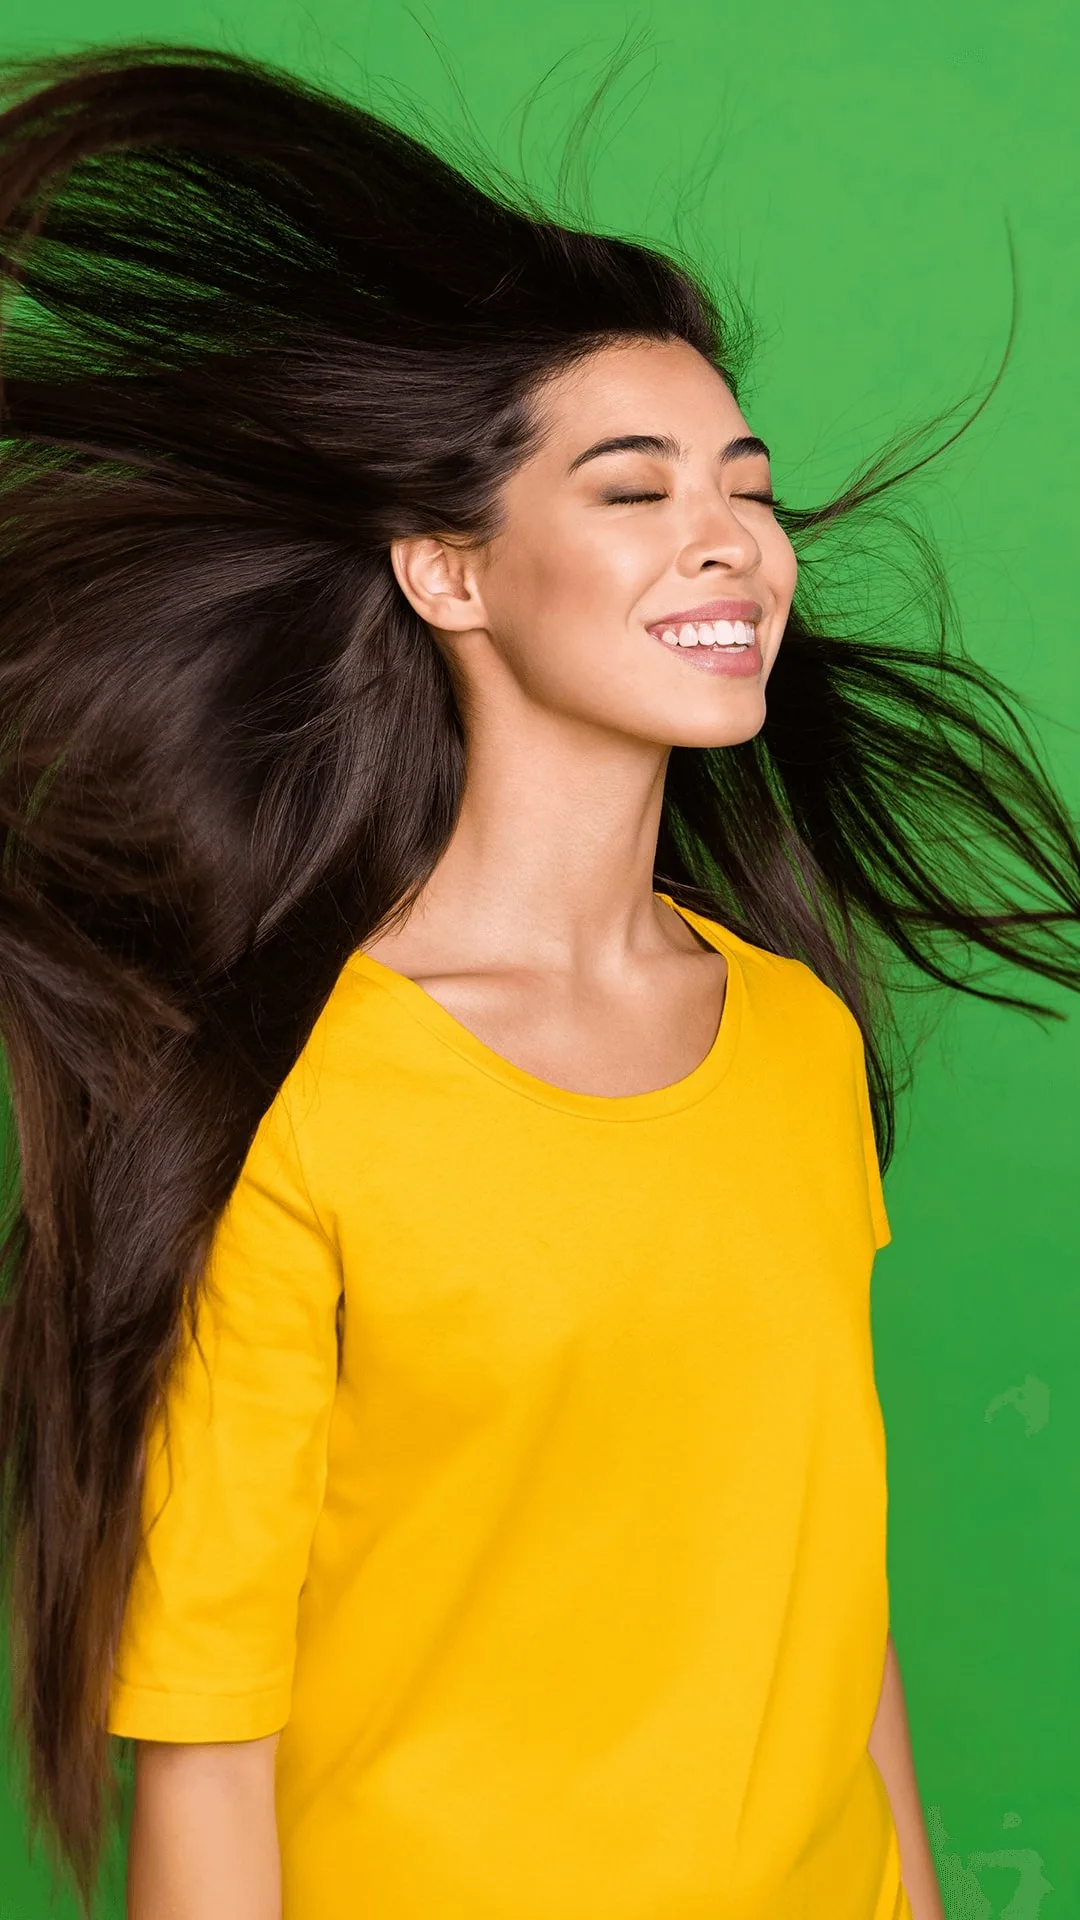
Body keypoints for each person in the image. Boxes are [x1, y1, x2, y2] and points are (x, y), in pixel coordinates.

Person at [0, 41, 1076, 1920]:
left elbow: (821, 1604)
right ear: (446, 571)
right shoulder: (300, 1097)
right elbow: (207, 1752)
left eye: (745, 483)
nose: (730, 537)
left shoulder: (801, 1041)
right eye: (634, 489)